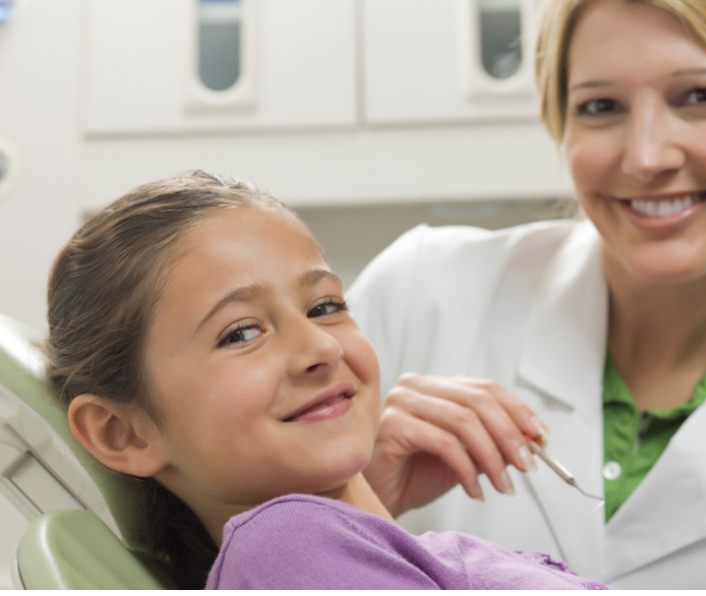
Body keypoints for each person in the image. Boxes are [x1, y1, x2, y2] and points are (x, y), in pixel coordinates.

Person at [350, 0, 706, 589]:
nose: (647, 156)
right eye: (601, 106)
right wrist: (350, 511)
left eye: (701, 96)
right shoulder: (417, 294)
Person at [43, 171, 611, 590]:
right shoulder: (283, 544)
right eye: (241, 333)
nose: (321, 346)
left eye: (325, 306)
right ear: (122, 433)